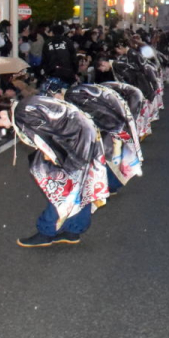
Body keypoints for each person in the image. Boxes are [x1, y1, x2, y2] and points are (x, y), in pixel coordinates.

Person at [13, 95, 110, 248]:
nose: (4, 126)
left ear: (2, 113)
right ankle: (74, 230)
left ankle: (46, 231)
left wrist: (53, 157)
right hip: (83, 133)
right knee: (82, 184)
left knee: (62, 187)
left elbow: (44, 137)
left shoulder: (21, 113)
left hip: (74, 139)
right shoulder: (28, 104)